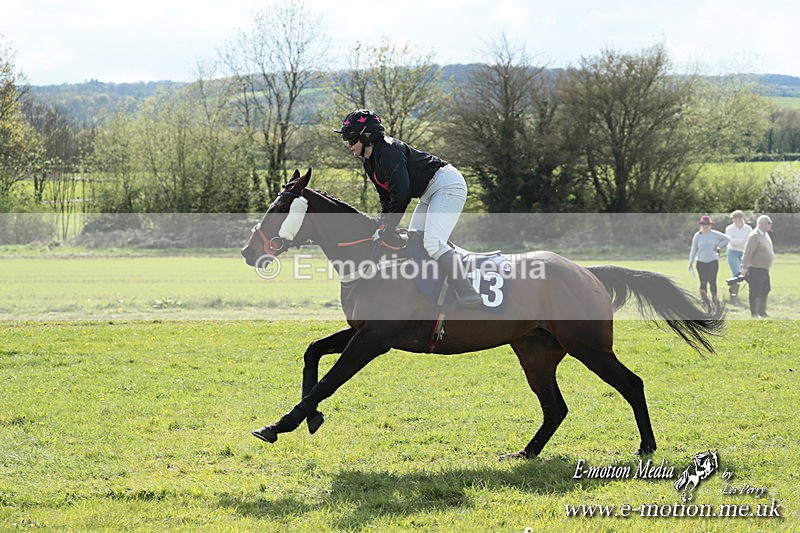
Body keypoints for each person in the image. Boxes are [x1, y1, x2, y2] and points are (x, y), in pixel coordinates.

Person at [334, 109, 483, 307]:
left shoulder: (389, 151)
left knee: (433, 243)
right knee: (415, 241)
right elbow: (385, 196)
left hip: (447, 185)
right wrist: (383, 223)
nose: (349, 146)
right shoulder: (370, 162)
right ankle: (430, 294)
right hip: (429, 193)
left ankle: (468, 292)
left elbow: (401, 195)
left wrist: (389, 227)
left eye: (352, 140)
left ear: (367, 136)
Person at [688, 215, 730, 307]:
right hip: (701, 261)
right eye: (703, 224)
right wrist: (690, 262)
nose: (705, 226)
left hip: (713, 261)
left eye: (707, 224)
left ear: (710, 225)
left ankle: (715, 298)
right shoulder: (697, 236)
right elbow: (694, 249)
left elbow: (727, 239)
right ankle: (704, 299)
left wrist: (718, 246)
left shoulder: (715, 234)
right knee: (703, 281)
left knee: (712, 280)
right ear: (701, 225)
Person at [741, 215, 775, 318]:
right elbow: (747, 253)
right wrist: (744, 268)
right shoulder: (754, 236)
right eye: (768, 223)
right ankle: (754, 313)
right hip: (755, 268)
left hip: (764, 269)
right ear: (761, 224)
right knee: (755, 291)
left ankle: (762, 312)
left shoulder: (765, 234)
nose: (770, 225)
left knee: (766, 289)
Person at [724, 210, 752, 304]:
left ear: (741, 218)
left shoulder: (748, 229)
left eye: (737, 218)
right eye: (734, 218)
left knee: (746, 275)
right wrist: (741, 241)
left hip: (744, 253)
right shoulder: (729, 228)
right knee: (737, 274)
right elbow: (729, 241)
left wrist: (737, 241)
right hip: (733, 252)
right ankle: (733, 297)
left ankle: (753, 296)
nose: (735, 220)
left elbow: (749, 241)